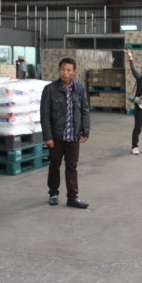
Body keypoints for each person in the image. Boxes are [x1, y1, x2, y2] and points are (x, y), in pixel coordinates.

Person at [40, 57, 90, 209]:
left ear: (74, 72)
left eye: (68, 70)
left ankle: (72, 197)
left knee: (72, 167)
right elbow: (45, 115)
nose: (65, 73)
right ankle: (53, 193)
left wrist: (85, 130)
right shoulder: (50, 89)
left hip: (73, 136)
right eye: (63, 69)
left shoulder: (79, 88)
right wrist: (48, 136)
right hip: (57, 137)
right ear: (59, 70)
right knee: (55, 165)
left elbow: (84, 110)